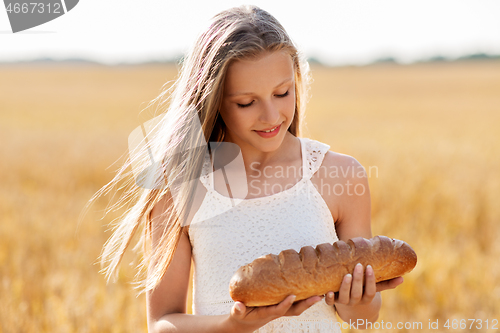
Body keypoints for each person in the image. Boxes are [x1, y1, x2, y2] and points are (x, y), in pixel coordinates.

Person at [93, 5, 404, 333]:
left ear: (296, 80)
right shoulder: (180, 186)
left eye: (282, 93)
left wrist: (358, 301)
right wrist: (233, 325)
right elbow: (162, 322)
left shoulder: (340, 175)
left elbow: (362, 317)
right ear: (211, 100)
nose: (271, 116)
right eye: (246, 102)